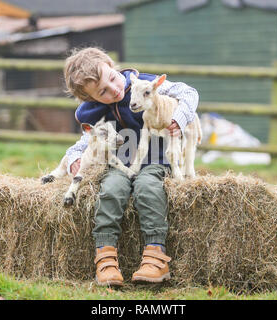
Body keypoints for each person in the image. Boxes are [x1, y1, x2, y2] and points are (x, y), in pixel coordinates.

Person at [63, 47, 199, 286]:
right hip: (121, 162)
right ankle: (105, 257)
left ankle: (156, 256)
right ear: (91, 99)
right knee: (111, 189)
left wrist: (180, 117)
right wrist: (74, 155)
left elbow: (189, 92)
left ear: (113, 67)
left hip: (156, 159)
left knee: (148, 187)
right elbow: (90, 137)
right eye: (102, 92)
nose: (114, 90)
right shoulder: (95, 111)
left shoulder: (144, 83)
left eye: (113, 79)